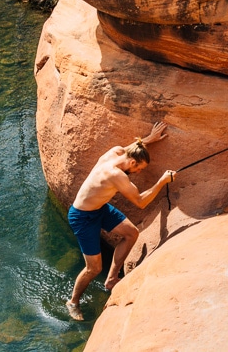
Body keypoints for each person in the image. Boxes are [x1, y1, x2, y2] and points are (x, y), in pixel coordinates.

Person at [65, 121, 175, 321]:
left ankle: (111, 279)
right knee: (93, 268)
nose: (139, 172)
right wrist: (161, 182)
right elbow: (140, 202)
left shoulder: (115, 152)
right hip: (82, 217)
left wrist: (149, 139)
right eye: (140, 168)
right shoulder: (116, 176)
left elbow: (132, 149)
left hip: (100, 208)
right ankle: (73, 302)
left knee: (131, 233)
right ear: (133, 163)